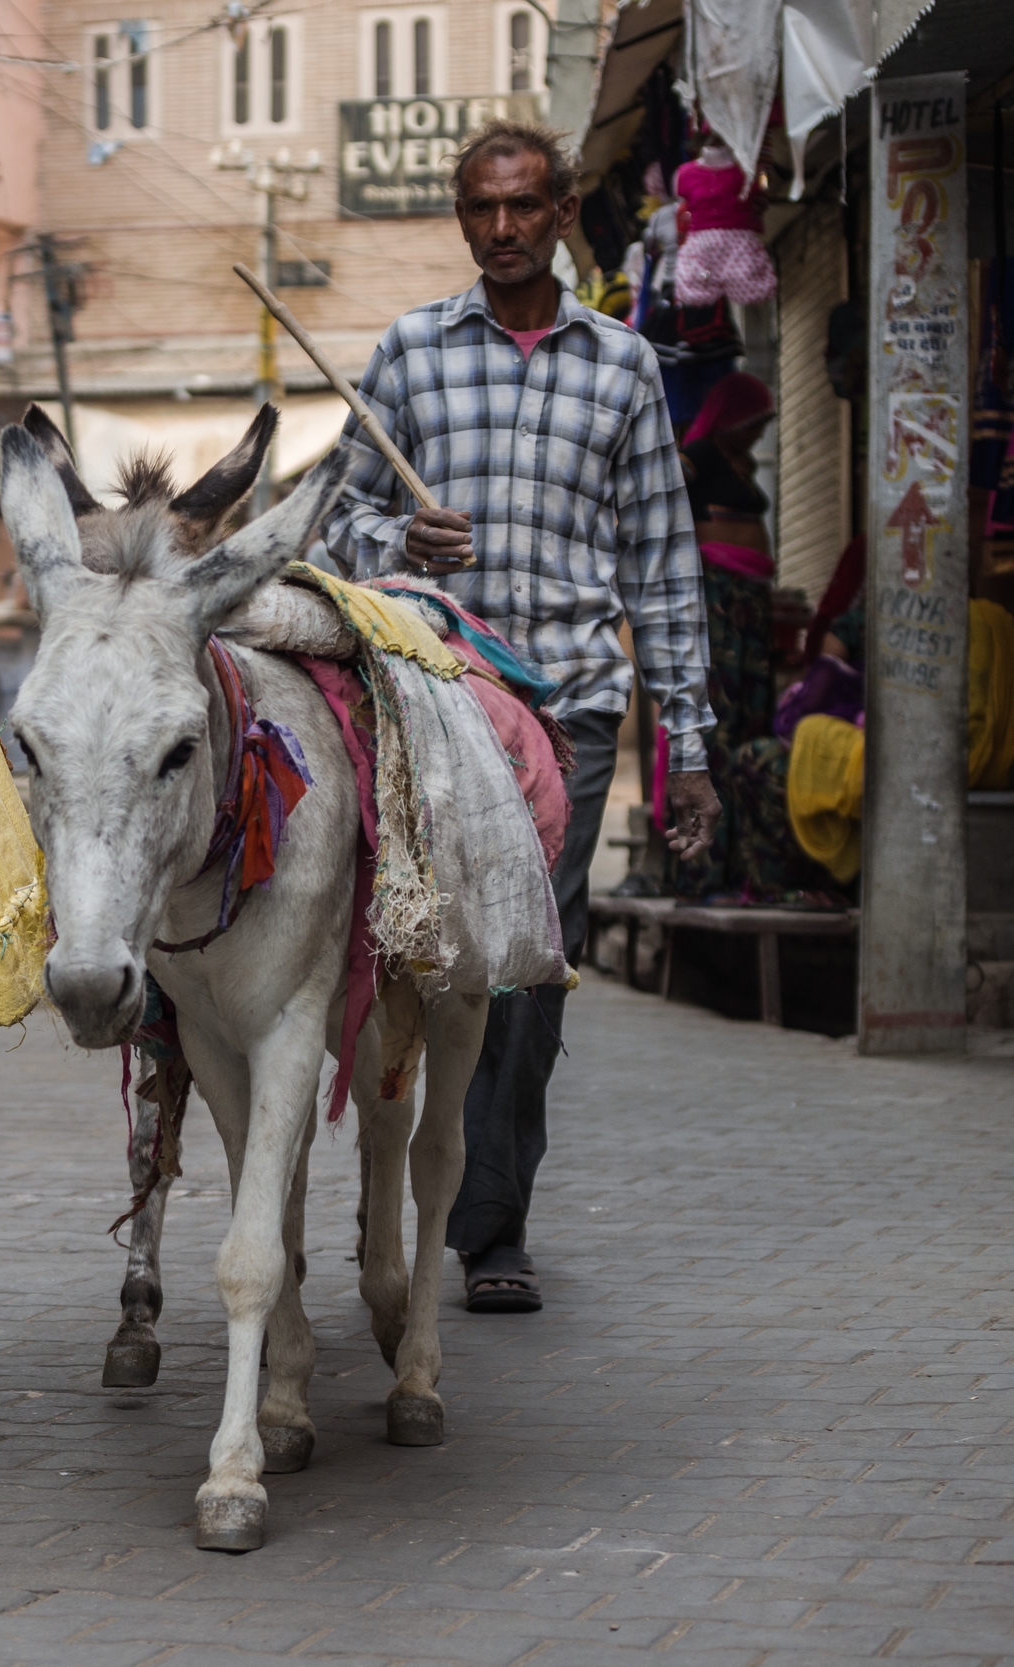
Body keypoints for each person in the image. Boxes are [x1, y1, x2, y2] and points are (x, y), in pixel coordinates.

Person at [322, 118, 721, 1316]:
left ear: (562, 215)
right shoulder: (407, 351)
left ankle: (490, 1219)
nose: (501, 228)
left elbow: (663, 564)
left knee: (531, 969)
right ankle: (420, 1188)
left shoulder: (623, 366)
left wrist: (688, 750)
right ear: (462, 217)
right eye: (480, 209)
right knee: (430, 953)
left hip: (570, 706)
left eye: (523, 207)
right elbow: (332, 520)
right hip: (433, 691)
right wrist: (396, 538)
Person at [670, 372, 779, 899]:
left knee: (752, 721)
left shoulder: (746, 464)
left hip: (750, 607)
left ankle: (743, 863)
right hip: (716, 602)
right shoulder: (698, 457)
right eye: (751, 422)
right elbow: (664, 507)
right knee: (716, 718)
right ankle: (700, 869)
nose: (756, 432)